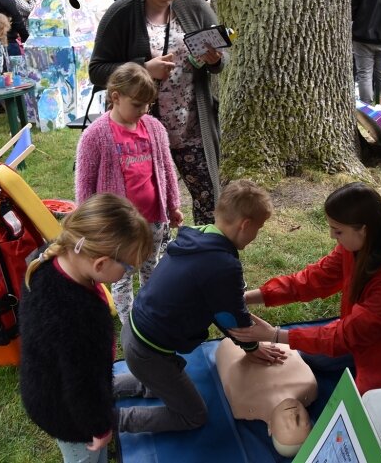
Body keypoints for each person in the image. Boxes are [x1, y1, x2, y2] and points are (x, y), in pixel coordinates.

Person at [229, 182, 381, 394]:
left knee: (366, 406)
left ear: (363, 229)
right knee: (308, 354)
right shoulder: (363, 241)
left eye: (337, 230)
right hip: (369, 334)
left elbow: (347, 336)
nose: (332, 236)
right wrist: (248, 297)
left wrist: (274, 335)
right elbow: (313, 279)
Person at [115, 180, 281, 433]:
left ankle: (97, 391)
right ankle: (109, 422)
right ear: (245, 225)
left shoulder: (197, 234)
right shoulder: (224, 265)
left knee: (155, 381)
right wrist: (252, 347)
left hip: (134, 333)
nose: (256, 235)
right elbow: (230, 317)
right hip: (150, 353)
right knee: (193, 416)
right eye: (258, 228)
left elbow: (221, 302)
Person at [90, 0, 227, 224]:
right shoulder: (121, 13)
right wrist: (143, 69)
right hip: (140, 134)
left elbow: (223, 57)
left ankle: (204, 258)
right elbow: (97, 70)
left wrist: (214, 60)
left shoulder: (195, 7)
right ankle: (153, 262)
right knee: (149, 207)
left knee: (209, 200)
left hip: (191, 128)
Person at [20, 194, 153, 463]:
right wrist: (99, 427)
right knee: (88, 457)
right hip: (67, 414)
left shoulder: (49, 258)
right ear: (101, 264)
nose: (127, 274)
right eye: (127, 269)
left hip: (45, 385)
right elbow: (82, 385)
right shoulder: (80, 317)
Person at [75, 62, 183, 324]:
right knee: (121, 277)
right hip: (117, 228)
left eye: (148, 105)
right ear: (115, 97)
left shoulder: (154, 128)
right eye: (137, 105)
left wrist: (173, 205)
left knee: (152, 269)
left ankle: (150, 316)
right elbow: (85, 182)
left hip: (154, 221)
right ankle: (128, 324)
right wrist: (89, 225)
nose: (143, 111)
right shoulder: (95, 135)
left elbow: (167, 168)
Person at [216, 337, 317, 457]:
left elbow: (228, 347)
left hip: (237, 340)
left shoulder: (242, 402)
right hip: (267, 335)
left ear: (270, 429)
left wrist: (249, 345)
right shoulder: (309, 385)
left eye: (287, 426)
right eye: (303, 423)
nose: (293, 417)